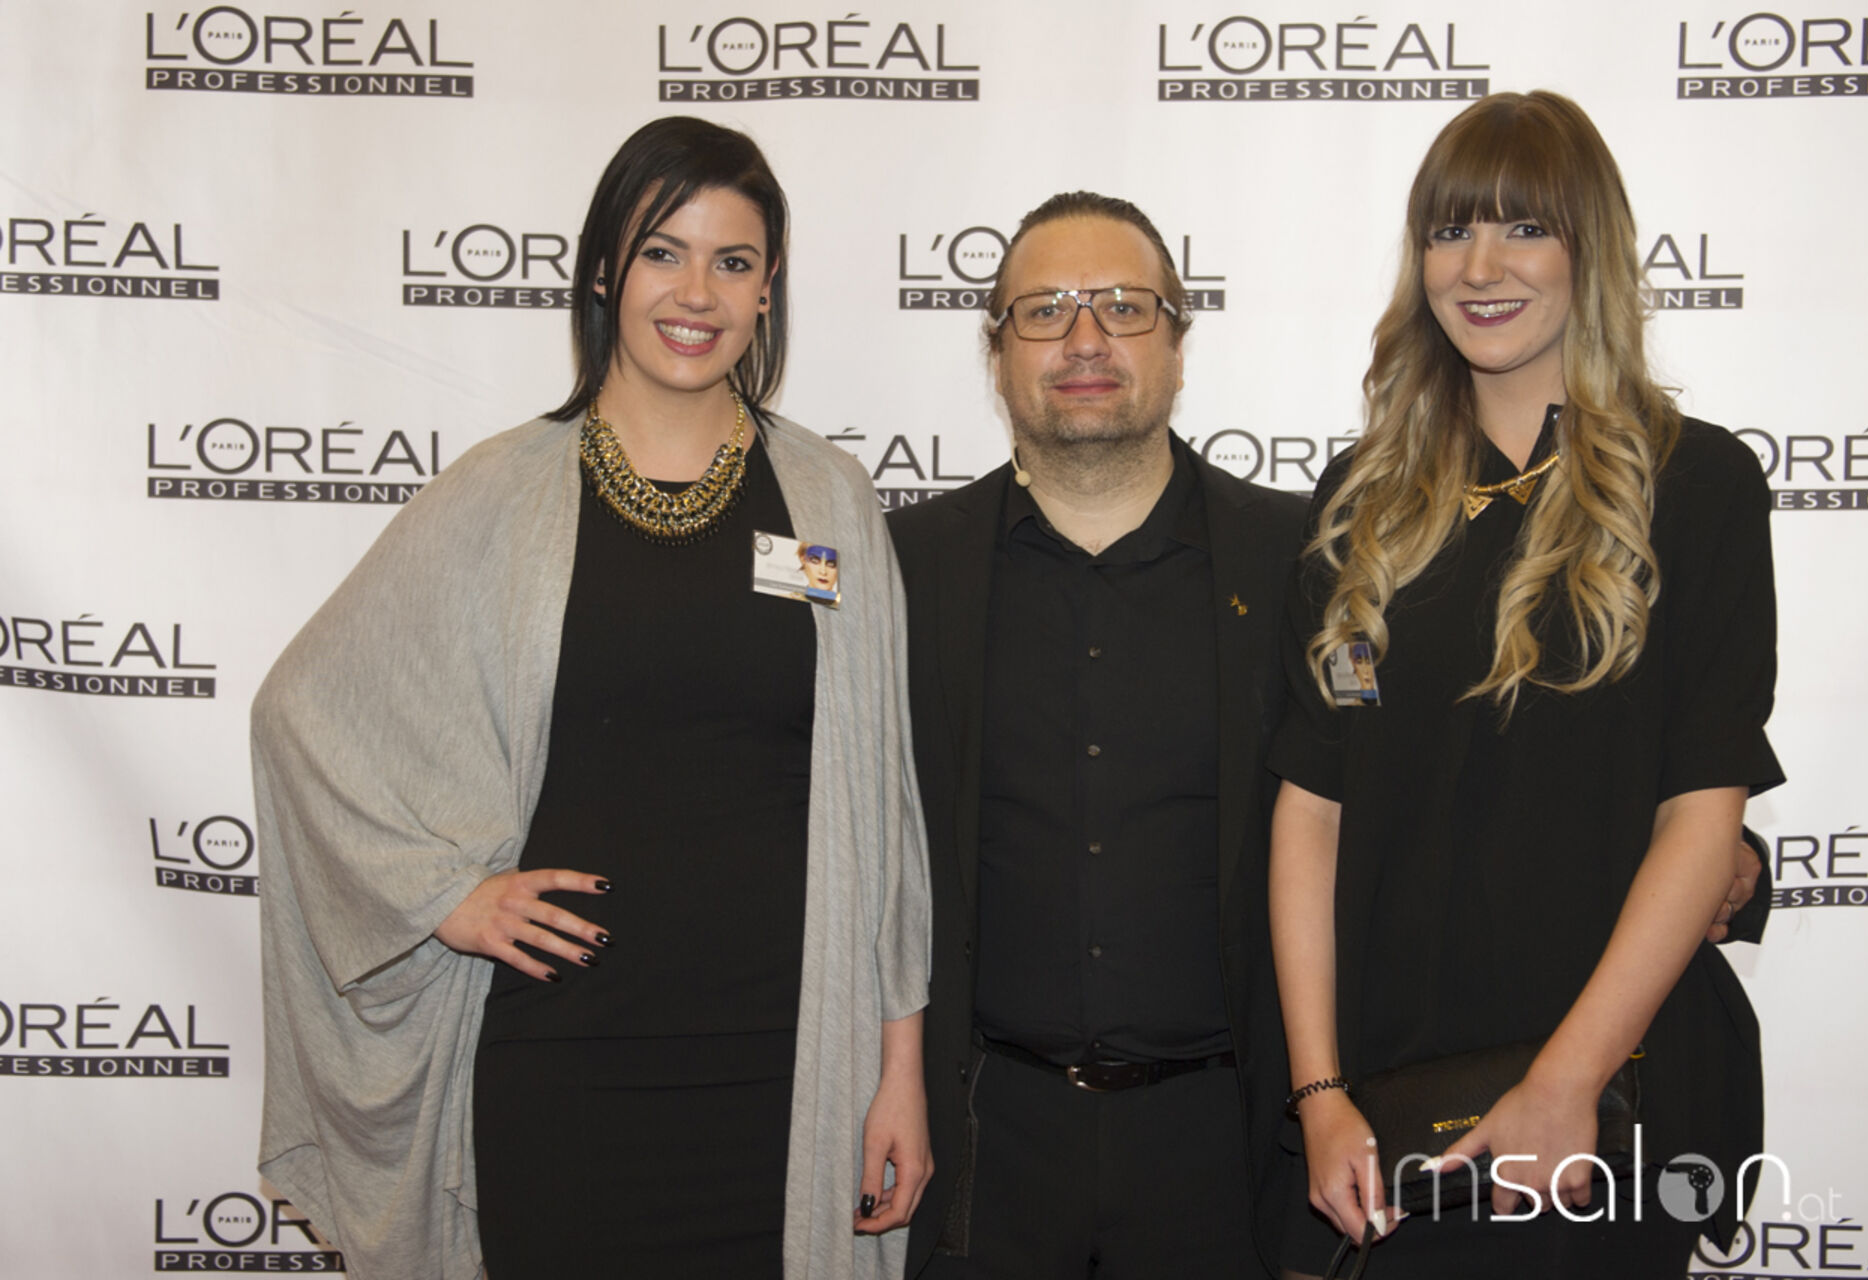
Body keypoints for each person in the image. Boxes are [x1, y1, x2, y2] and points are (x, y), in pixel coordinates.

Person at [253, 116, 931, 1280]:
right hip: (563, 1064)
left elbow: (886, 813)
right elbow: (301, 717)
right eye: (664, 251)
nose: (697, 293)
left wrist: (899, 1067)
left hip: (786, 1067)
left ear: (769, 288)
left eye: (733, 261)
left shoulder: (828, 497)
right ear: (607, 268)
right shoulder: (499, 493)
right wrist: (442, 895)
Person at [1269, 91, 1782, 1279]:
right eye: (1451, 230)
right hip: (1396, 1110)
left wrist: (1566, 1081)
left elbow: (1704, 812)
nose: (1481, 266)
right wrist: (1319, 1091)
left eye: (1524, 228)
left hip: (1616, 1102)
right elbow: (1313, 810)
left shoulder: (1697, 485)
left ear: (1588, 248)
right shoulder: (1359, 505)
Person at [891, 191, 1309, 1277]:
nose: (1085, 339)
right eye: (1043, 312)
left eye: (1124, 306)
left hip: (1230, 1145)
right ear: (997, 356)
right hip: (981, 1143)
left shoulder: (1302, 561)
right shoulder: (905, 570)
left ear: (1178, 343)